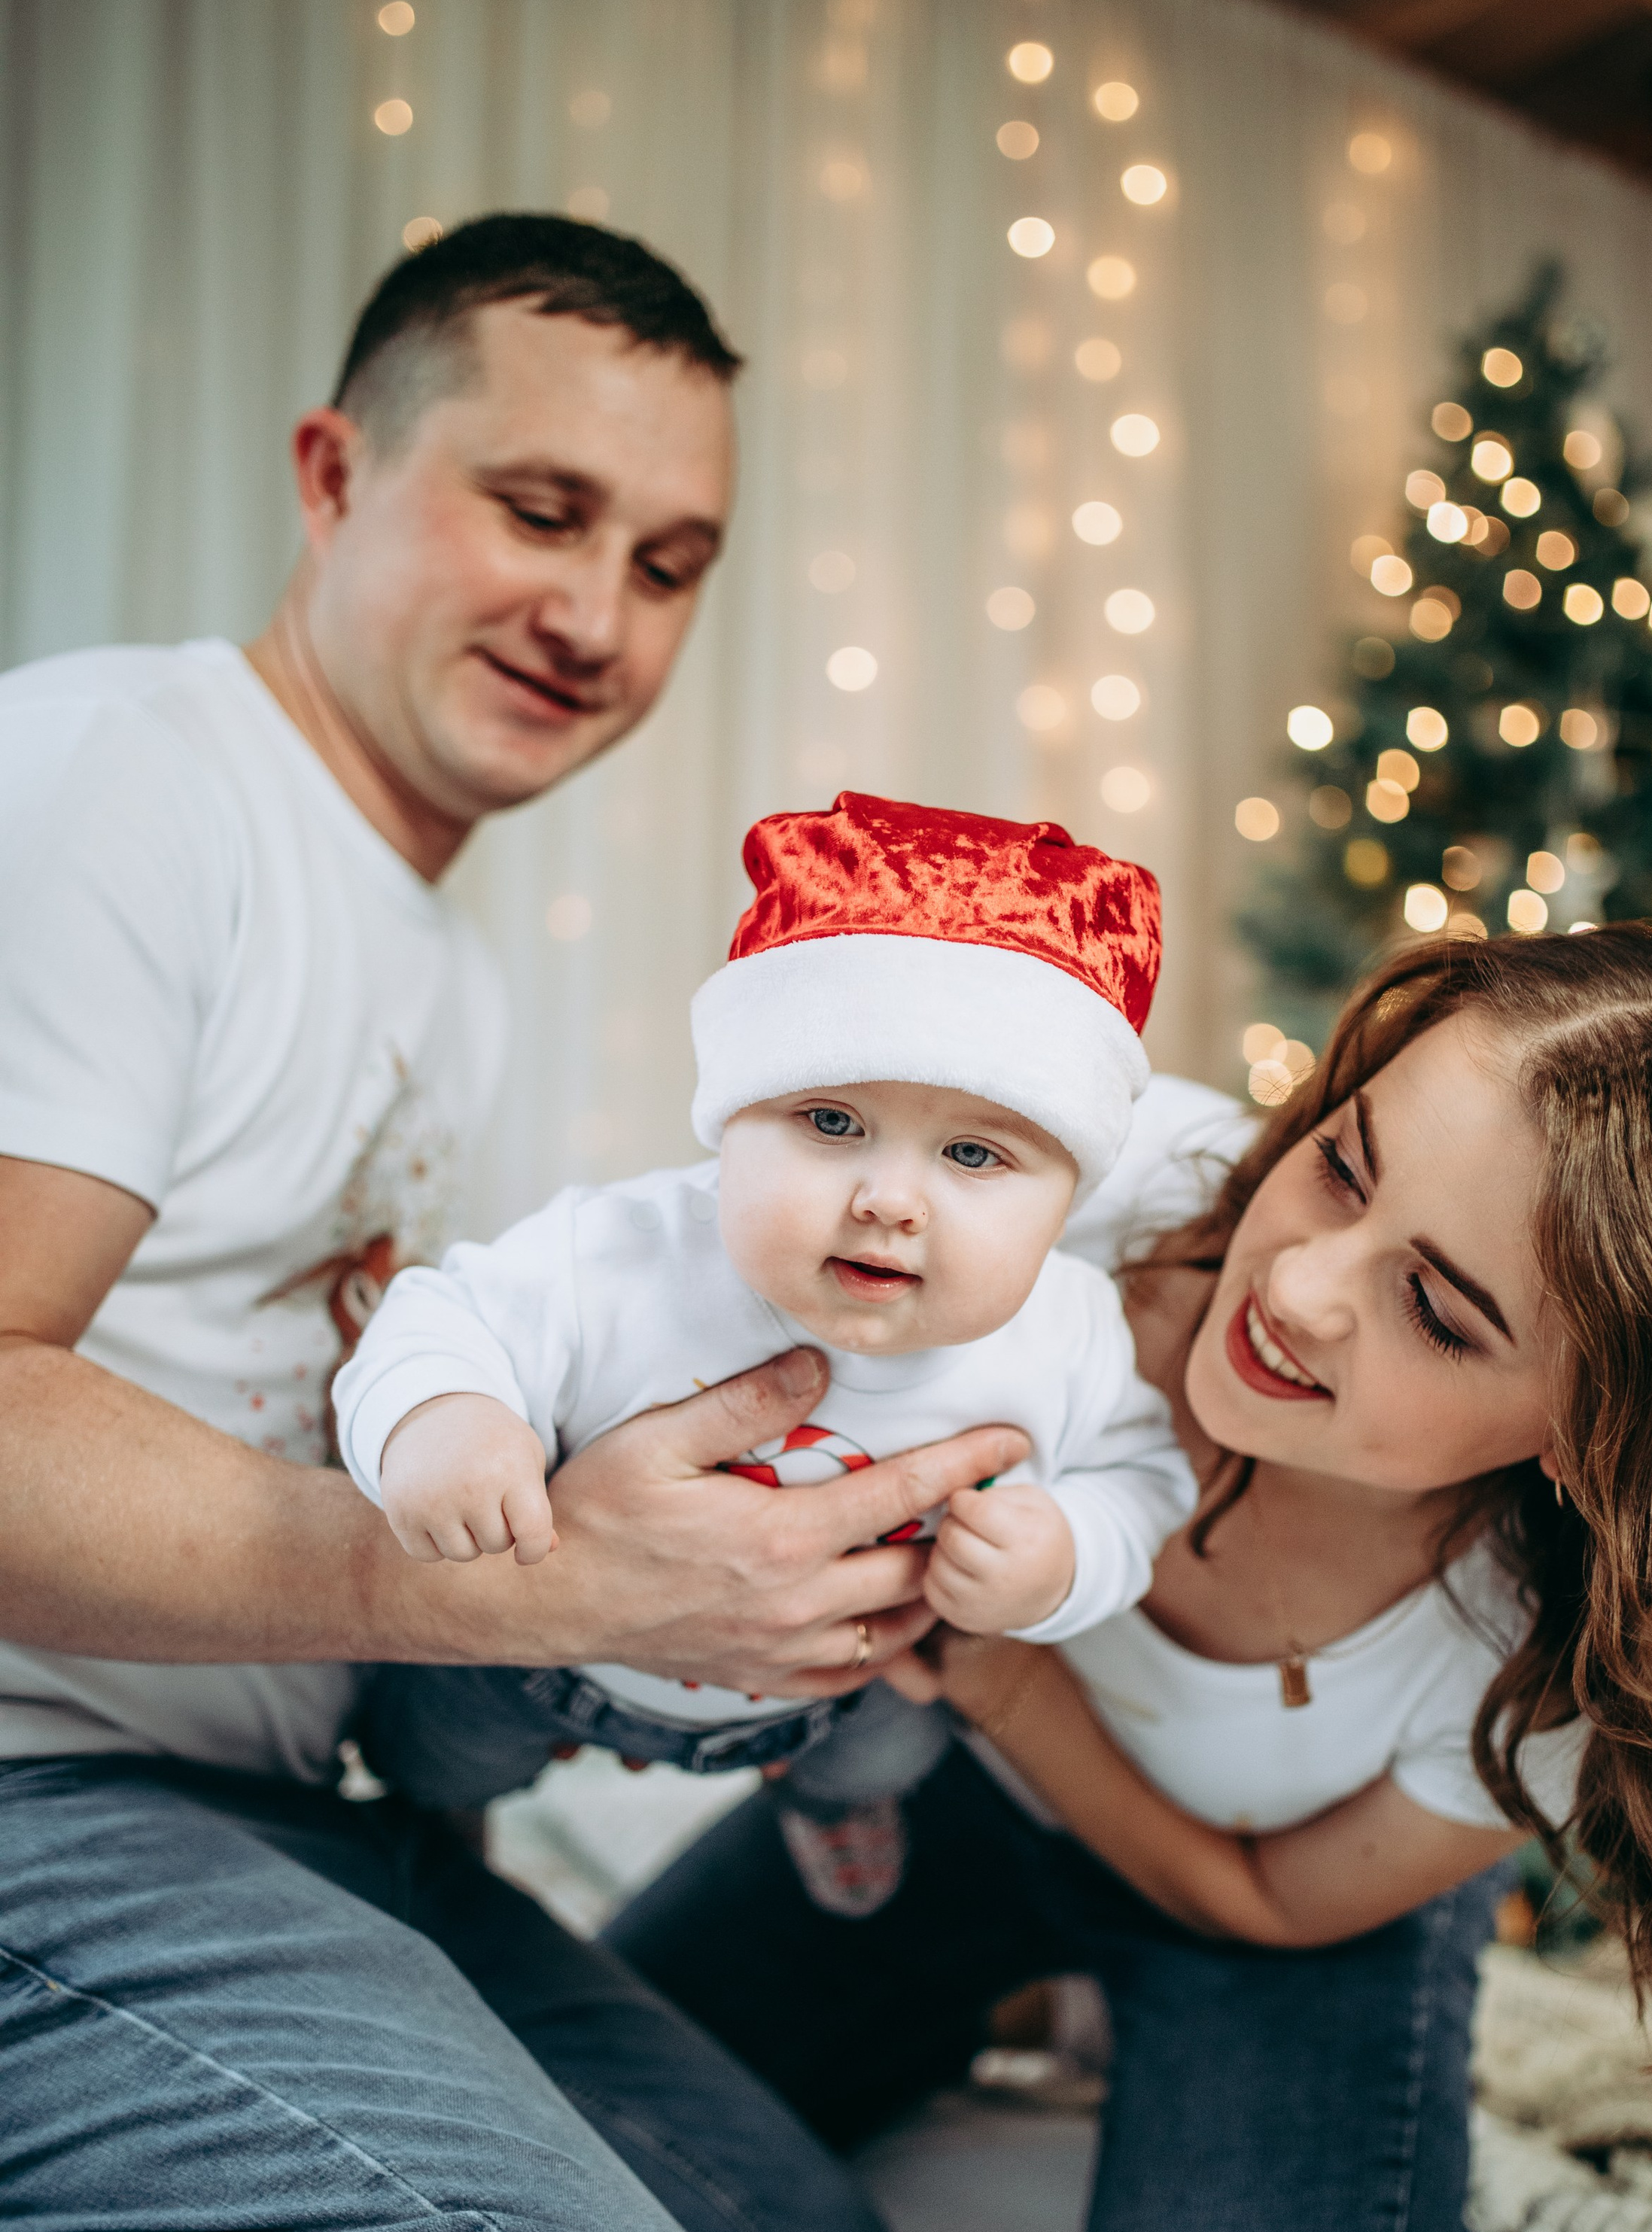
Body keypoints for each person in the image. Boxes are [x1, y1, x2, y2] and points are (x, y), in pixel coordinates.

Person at [0, 215, 1027, 2232]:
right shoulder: (121, 787)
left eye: (670, 563)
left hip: (292, 1802)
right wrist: (539, 1581)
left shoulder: (443, 957)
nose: (601, 617)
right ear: (333, 469)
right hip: (44, 1794)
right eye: (540, 513)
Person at [608, 923, 1652, 2232]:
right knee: (595, 2149)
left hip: (1268, 1921)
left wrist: (1001, 1681)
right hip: (957, 1800)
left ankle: (1083, 2006)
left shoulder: (1552, 1666)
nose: (1296, 1285)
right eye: (1342, 1166)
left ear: (1593, 1440)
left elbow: (1269, 1902)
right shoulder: (1091, 1191)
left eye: (1436, 1308)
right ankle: (1023, 1993)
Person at [336, 792, 1195, 1911]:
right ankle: (434, 1832)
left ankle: (830, 1803)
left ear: (1068, 1195)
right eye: (831, 1123)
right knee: (434, 1742)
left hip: (830, 1691)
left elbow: (1145, 1478)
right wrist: (447, 1420)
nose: (890, 1199)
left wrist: (1067, 1553)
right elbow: (438, 1320)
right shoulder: (621, 1254)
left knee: (898, 1745)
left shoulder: (1071, 1333)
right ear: (730, 1120)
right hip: (543, 1656)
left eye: (975, 1154)